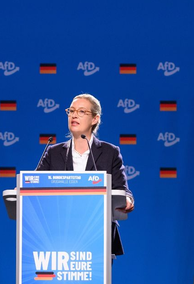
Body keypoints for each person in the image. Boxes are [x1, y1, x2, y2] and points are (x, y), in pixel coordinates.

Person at [37, 93, 134, 255]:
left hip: (99, 236)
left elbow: (122, 189)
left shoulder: (110, 153)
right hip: (58, 237)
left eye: (81, 112)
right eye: (71, 111)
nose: (74, 115)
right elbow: (35, 188)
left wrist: (128, 199)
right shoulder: (53, 153)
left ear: (95, 119)